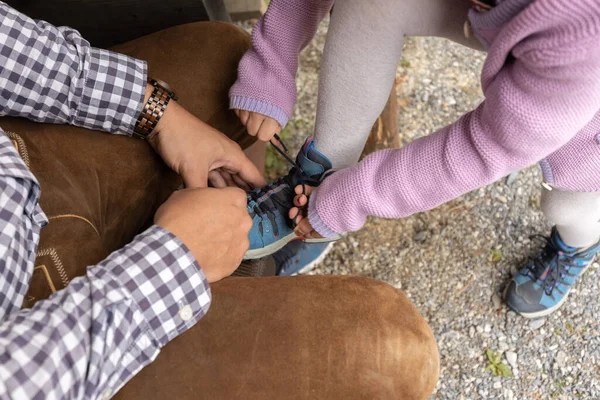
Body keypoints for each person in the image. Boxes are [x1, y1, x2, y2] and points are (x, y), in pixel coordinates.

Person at [0, 3, 440, 399]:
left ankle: (255, 255)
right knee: (393, 347)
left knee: (225, 55)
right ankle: (254, 269)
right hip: (53, 358)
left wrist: (154, 111)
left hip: (13, 169)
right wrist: (172, 261)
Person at [231, 0, 600, 318]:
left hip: (585, 81)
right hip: (512, 19)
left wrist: (354, 198)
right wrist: (273, 59)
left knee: (567, 204)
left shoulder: (584, 30)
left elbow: (478, 148)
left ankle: (579, 244)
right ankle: (318, 184)